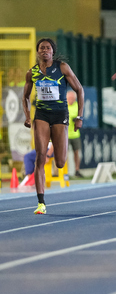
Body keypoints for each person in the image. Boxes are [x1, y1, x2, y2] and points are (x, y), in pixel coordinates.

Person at [22, 38, 84, 215]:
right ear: (37, 51)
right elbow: (25, 96)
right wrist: (28, 116)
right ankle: (41, 202)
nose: (44, 50)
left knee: (60, 161)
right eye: (41, 48)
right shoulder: (32, 73)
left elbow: (79, 89)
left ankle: (59, 149)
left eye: (47, 48)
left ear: (52, 52)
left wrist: (80, 116)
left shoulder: (62, 67)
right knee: (40, 156)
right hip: (41, 114)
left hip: (60, 114)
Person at [67, 90, 83, 177]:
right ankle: (64, 171)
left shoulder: (77, 105)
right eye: (69, 98)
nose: (71, 100)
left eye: (72, 99)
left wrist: (77, 119)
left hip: (75, 133)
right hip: (65, 134)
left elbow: (81, 117)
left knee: (76, 152)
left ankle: (77, 170)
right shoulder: (63, 105)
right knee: (65, 153)